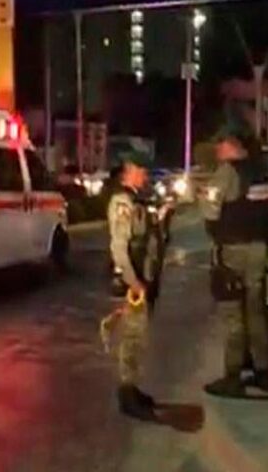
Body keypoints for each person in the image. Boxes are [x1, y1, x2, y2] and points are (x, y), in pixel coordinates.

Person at [200, 129, 268, 397]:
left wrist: (216, 234)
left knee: (233, 311)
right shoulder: (261, 172)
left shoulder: (227, 172)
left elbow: (209, 209)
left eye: (220, 147)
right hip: (259, 248)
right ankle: (263, 371)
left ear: (230, 147)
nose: (218, 152)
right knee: (255, 309)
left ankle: (232, 375)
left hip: (235, 248)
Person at [107, 152, 158, 420]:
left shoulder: (136, 199)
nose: (145, 175)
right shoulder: (122, 202)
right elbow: (119, 247)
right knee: (129, 339)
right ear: (129, 171)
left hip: (139, 277)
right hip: (130, 281)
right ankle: (127, 395)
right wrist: (134, 282)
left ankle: (133, 388)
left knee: (137, 338)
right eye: (141, 170)